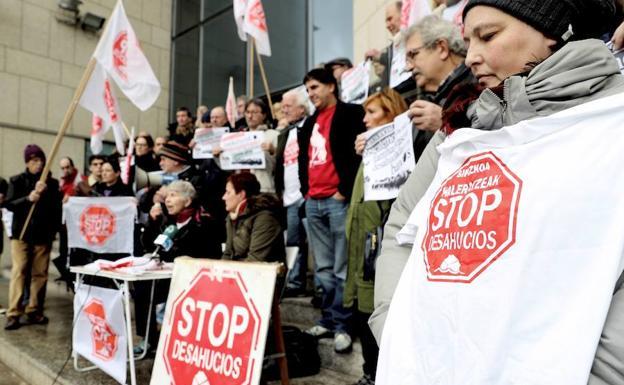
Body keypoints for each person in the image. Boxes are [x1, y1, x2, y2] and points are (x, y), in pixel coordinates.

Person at [373, 1, 624, 383]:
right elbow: (403, 228)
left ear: (554, 31)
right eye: (468, 39)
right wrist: (394, 327)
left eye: (488, 36)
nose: (471, 56)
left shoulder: (612, 120)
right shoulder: (458, 130)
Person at [298, 68, 366, 353]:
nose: (311, 94)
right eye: (308, 90)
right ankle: (328, 319)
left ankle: (343, 326)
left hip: (338, 200)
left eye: (315, 87)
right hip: (313, 202)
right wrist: (306, 194)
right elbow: (304, 160)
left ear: (330, 86)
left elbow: (357, 154)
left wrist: (344, 191)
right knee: (324, 269)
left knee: (341, 268)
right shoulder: (309, 122)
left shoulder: (351, 113)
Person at [345, 89, 407, 385]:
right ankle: (370, 372)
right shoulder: (369, 151)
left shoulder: (398, 155)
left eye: (373, 113)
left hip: (378, 245)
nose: (366, 120)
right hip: (361, 245)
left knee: (374, 311)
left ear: (392, 113)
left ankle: (378, 375)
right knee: (361, 310)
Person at [135, 180, 222, 353]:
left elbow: (212, 254)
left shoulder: (203, 222)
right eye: (166, 195)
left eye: (173, 195)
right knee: (142, 286)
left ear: (188, 201)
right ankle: (149, 337)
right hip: (167, 275)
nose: (167, 200)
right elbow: (151, 246)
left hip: (194, 279)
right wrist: (153, 222)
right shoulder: (168, 222)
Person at [4, 144, 62, 330]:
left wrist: (45, 194)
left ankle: (34, 310)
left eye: (40, 161)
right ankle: (14, 312)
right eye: (34, 161)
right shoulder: (17, 181)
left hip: (42, 235)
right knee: (19, 271)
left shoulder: (51, 184)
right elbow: (10, 204)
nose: (38, 164)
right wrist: (28, 198)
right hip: (21, 234)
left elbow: (56, 209)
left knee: (40, 274)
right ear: (27, 163)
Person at [274, 89, 310, 297]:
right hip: (288, 196)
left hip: (305, 194)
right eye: (282, 106)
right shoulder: (284, 133)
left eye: (288, 106)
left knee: (306, 242)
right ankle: (295, 281)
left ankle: (300, 282)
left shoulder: (309, 128)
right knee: (293, 240)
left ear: (302, 108)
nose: (283, 110)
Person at [215, 99, 279, 193]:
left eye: (254, 112)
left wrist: (272, 151)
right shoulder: (238, 137)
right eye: (247, 112)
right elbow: (229, 167)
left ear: (264, 115)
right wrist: (218, 157)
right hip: (240, 190)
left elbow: (278, 166)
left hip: (262, 189)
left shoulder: (273, 135)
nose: (250, 116)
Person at [222, 173, 285, 263]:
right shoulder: (231, 217)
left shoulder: (265, 218)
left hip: (263, 273)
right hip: (239, 270)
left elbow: (255, 260)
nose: (223, 197)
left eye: (228, 192)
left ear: (241, 194)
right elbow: (228, 254)